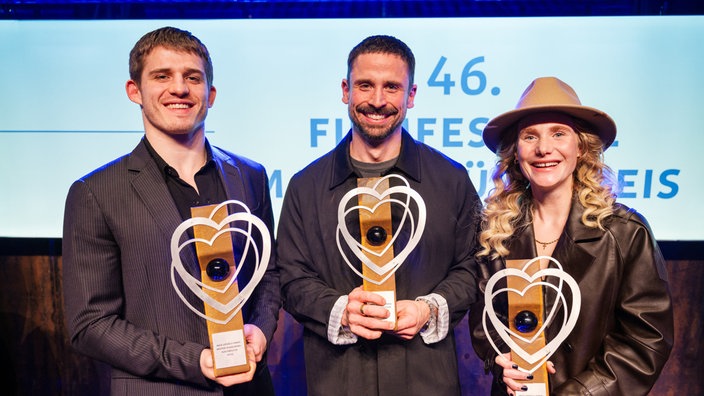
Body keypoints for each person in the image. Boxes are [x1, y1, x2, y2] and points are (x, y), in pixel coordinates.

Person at [62, 26, 280, 395]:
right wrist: (194, 360)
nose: (179, 88)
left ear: (210, 95)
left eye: (192, 78)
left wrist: (259, 329)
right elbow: (90, 324)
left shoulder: (250, 176)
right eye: (162, 76)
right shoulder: (95, 193)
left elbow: (269, 277)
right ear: (135, 91)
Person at [275, 35, 481, 396]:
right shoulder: (305, 186)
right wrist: (341, 310)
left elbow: (471, 269)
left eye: (392, 87)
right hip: (337, 382)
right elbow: (291, 279)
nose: (377, 100)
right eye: (365, 85)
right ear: (346, 90)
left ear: (411, 95)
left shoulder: (451, 179)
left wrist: (427, 310)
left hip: (427, 382)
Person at [469, 76, 674, 395]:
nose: (543, 149)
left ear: (581, 147)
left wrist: (579, 392)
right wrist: (503, 359)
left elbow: (645, 341)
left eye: (558, 133)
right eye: (530, 136)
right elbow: (486, 322)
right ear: (515, 151)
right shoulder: (496, 232)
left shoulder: (624, 232)